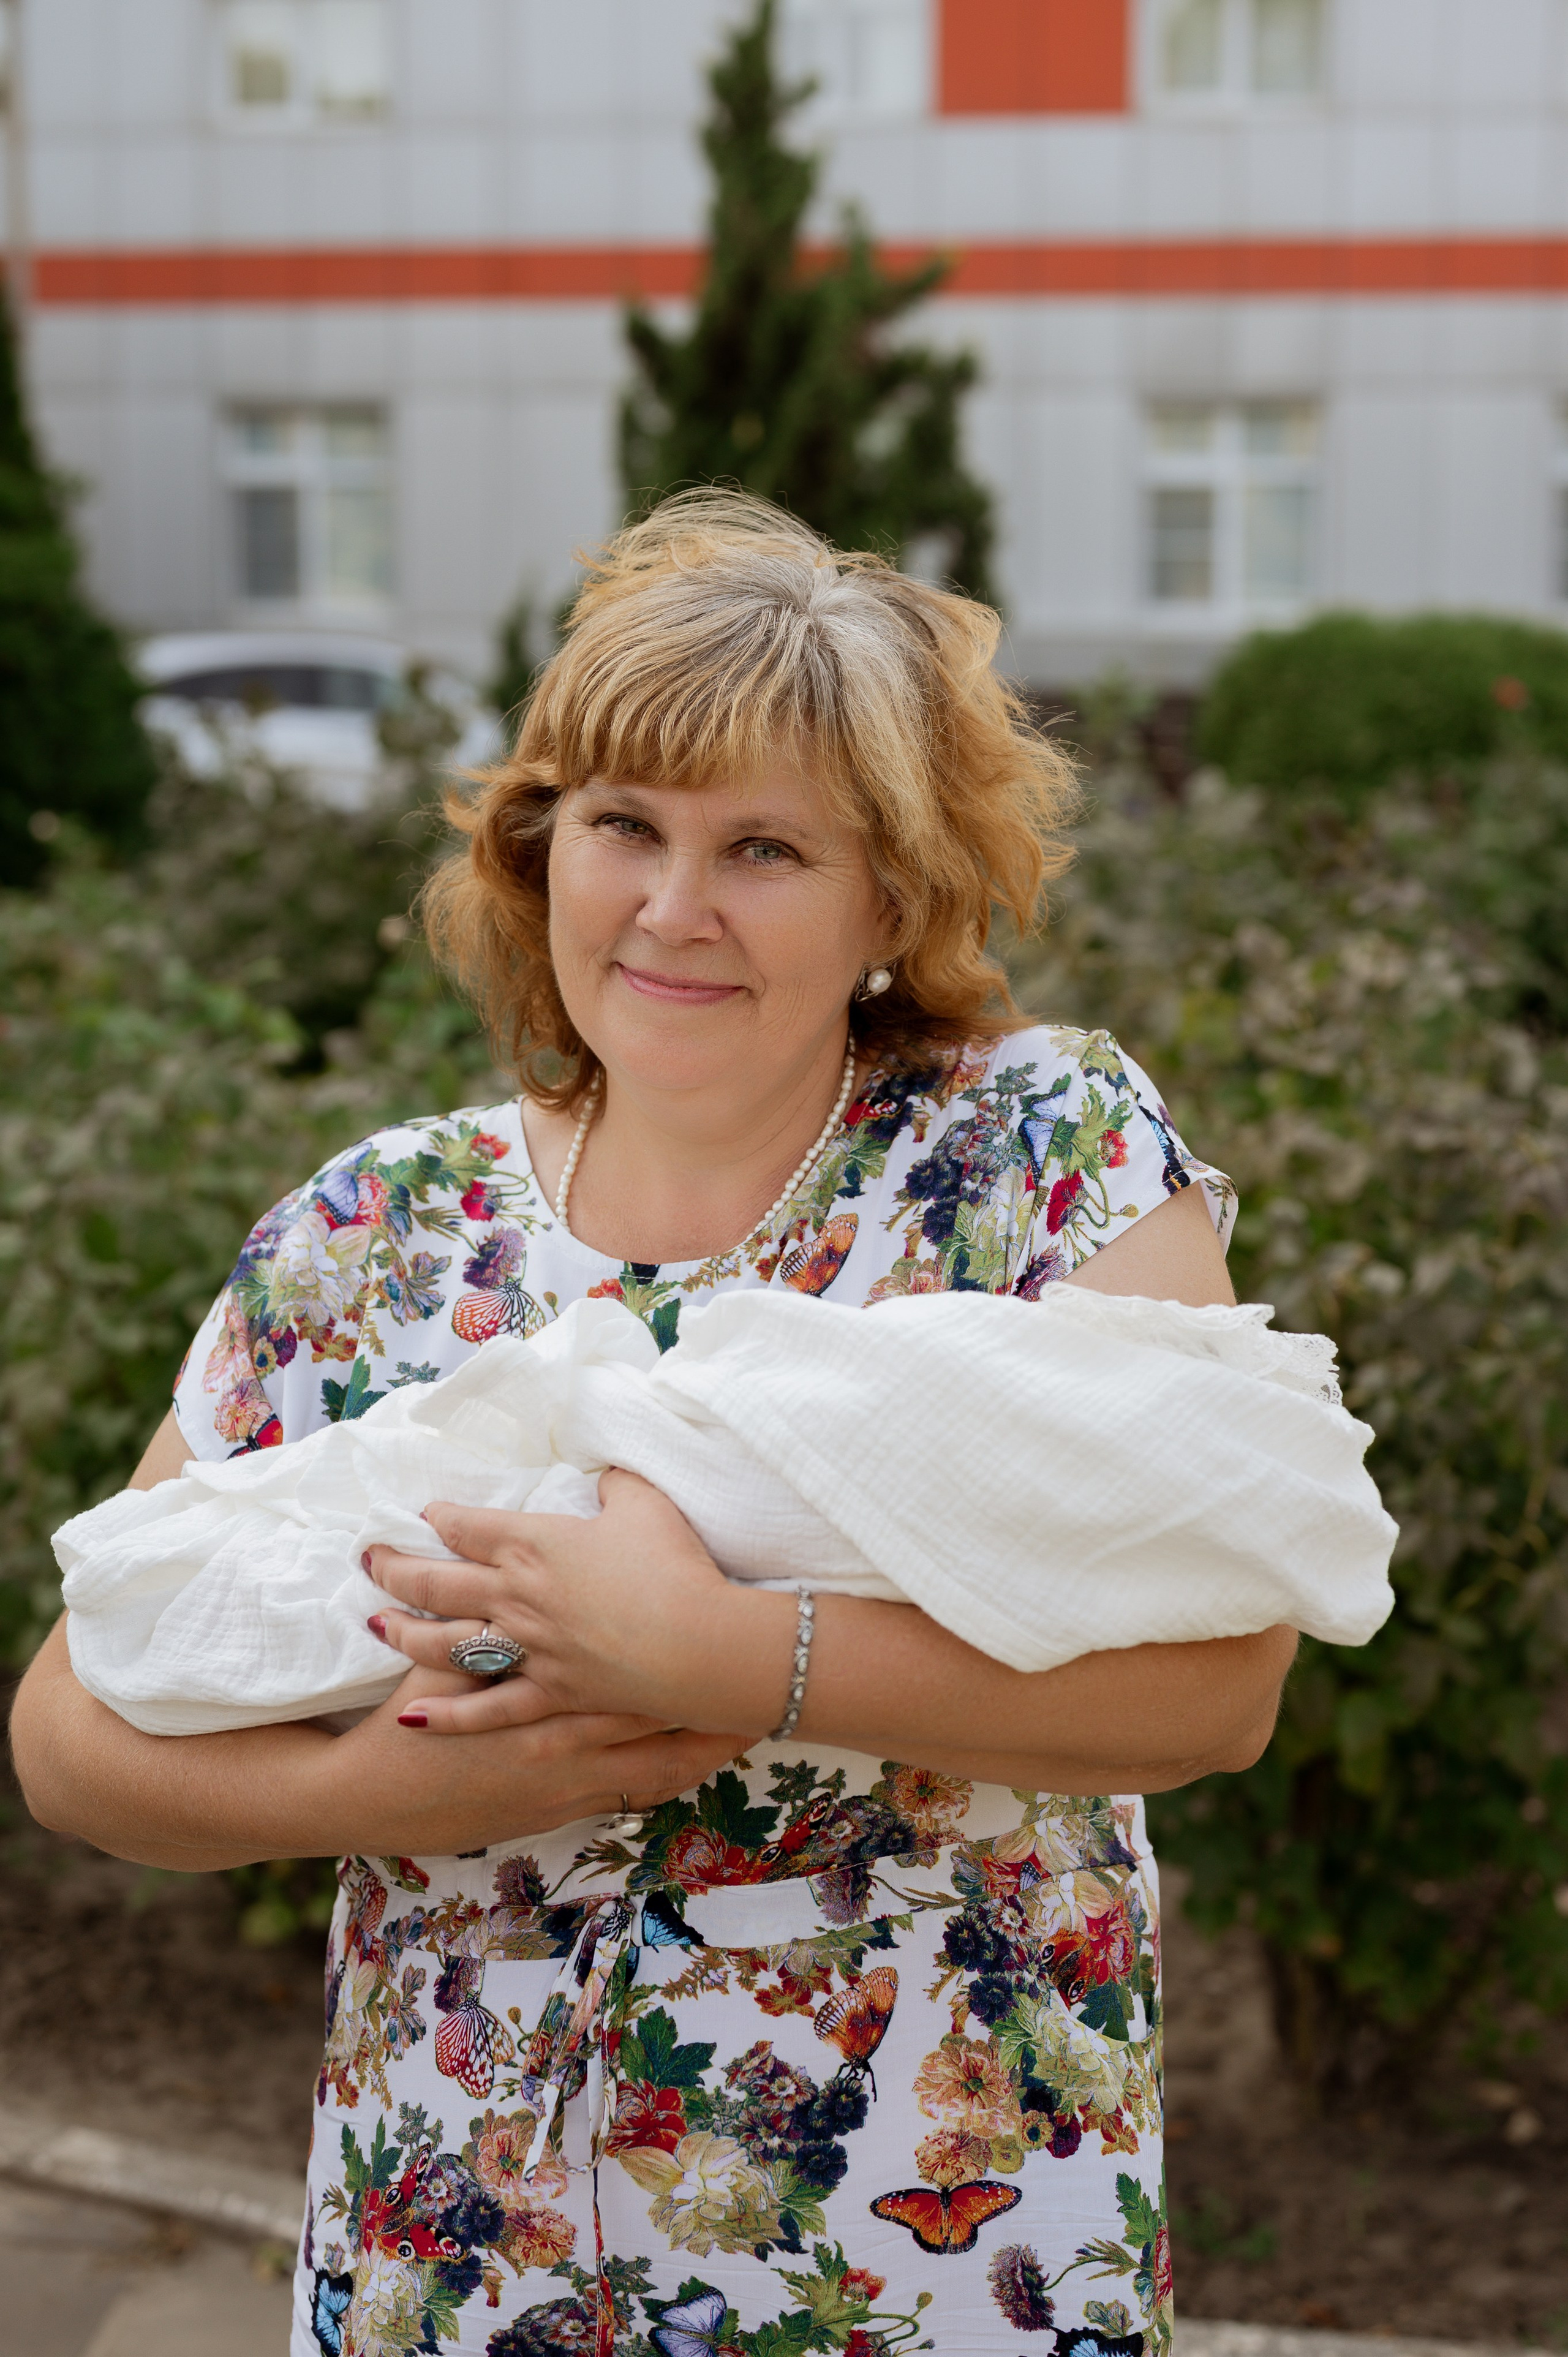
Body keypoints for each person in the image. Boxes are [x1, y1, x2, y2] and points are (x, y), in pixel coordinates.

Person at [12, 492, 1297, 2357]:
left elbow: (1220, 1684)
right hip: (452, 2259)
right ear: (542, 850)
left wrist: (722, 1655)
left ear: (895, 895)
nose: (674, 908)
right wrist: (378, 1798)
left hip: (930, 2258)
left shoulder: (1040, 1162)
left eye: (765, 846)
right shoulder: (379, 1234)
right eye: (624, 825)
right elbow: (67, 1733)